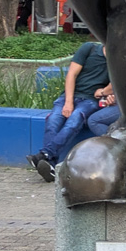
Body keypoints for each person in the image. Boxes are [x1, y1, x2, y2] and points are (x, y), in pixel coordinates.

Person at [27, 40, 110, 182]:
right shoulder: (89, 49)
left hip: (90, 100)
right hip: (70, 96)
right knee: (53, 120)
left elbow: (114, 85)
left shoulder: (117, 60)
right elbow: (72, 74)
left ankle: (44, 155)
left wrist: (105, 93)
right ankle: (50, 164)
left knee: (74, 120)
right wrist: (68, 102)